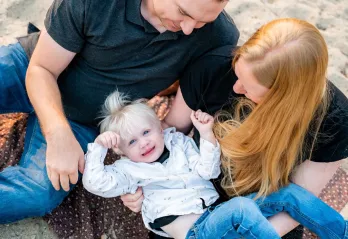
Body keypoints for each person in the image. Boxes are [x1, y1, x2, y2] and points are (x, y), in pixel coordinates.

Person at [0, 0, 239, 223]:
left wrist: (148, 180)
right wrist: (58, 135)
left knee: (36, 194)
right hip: (32, 68)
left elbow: (174, 123)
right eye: (183, 13)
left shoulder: (219, 36)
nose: (189, 30)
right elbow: (42, 69)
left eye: (201, 23)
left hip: (87, 122)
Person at [121, 18, 348, 238]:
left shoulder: (334, 118)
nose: (237, 88)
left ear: (283, 97)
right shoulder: (212, 67)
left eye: (249, 88)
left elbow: (302, 195)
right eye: (238, 73)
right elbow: (171, 128)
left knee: (292, 199)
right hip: (197, 199)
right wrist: (138, 184)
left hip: (266, 210)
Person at [84, 90, 348, 239]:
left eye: (146, 133)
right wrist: (99, 148)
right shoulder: (127, 170)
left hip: (218, 217)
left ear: (159, 126)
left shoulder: (179, 144)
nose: (142, 143)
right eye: (131, 143)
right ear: (120, 150)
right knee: (242, 208)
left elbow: (208, 171)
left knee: (288, 194)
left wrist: (207, 135)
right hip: (196, 232)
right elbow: (95, 183)